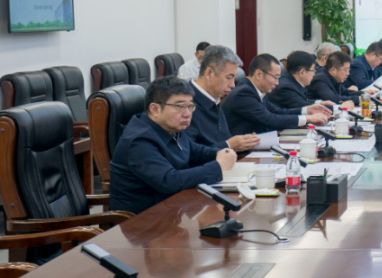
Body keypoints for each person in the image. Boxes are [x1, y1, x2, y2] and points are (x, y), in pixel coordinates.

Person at [109, 76, 237, 214]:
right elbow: (169, 181)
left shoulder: (170, 128)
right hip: (142, 219)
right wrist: (218, 167)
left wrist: (220, 154)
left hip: (172, 209)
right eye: (179, 106)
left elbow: (195, 151)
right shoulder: (139, 141)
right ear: (155, 109)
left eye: (190, 106)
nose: (187, 114)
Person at [223, 53, 330, 135]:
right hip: (243, 153)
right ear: (259, 74)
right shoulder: (243, 93)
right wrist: (307, 118)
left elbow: (277, 111)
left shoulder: (256, 90)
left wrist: (307, 110)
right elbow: (270, 119)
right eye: (275, 77)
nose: (277, 83)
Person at [188, 45, 260, 152]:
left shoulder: (215, 98)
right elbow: (188, 154)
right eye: (229, 78)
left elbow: (222, 140)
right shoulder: (185, 104)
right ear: (209, 73)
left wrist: (244, 143)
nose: (233, 85)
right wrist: (229, 145)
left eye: (234, 78)